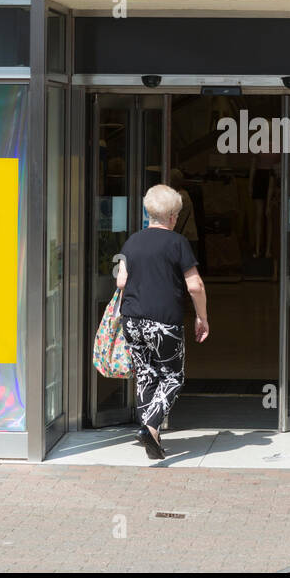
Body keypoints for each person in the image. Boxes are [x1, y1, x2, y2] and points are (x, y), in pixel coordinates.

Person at [115, 184, 210, 460]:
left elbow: (121, 280)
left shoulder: (132, 241)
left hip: (132, 318)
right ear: (172, 216)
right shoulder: (178, 243)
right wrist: (202, 317)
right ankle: (151, 426)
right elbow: (195, 286)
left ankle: (152, 437)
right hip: (163, 321)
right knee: (173, 377)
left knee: (145, 374)